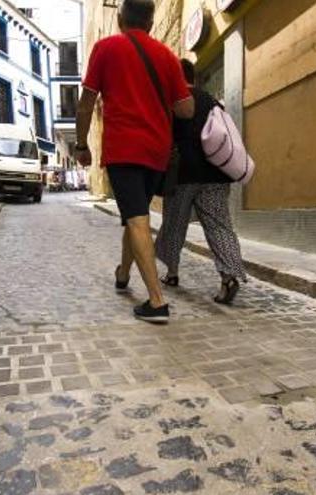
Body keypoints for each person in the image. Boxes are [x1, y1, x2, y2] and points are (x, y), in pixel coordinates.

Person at [75, 0, 194, 323]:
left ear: (119, 18)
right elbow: (186, 110)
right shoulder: (167, 56)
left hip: (124, 149)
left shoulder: (106, 48)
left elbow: (86, 103)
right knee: (135, 213)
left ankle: (156, 302)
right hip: (157, 152)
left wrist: (81, 144)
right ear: (152, 23)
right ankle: (123, 273)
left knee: (137, 218)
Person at [155, 59, 247, 305]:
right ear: (193, 76)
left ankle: (172, 274)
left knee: (174, 225)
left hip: (183, 175)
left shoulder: (173, 102)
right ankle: (228, 277)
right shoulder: (212, 101)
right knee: (219, 226)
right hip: (216, 174)